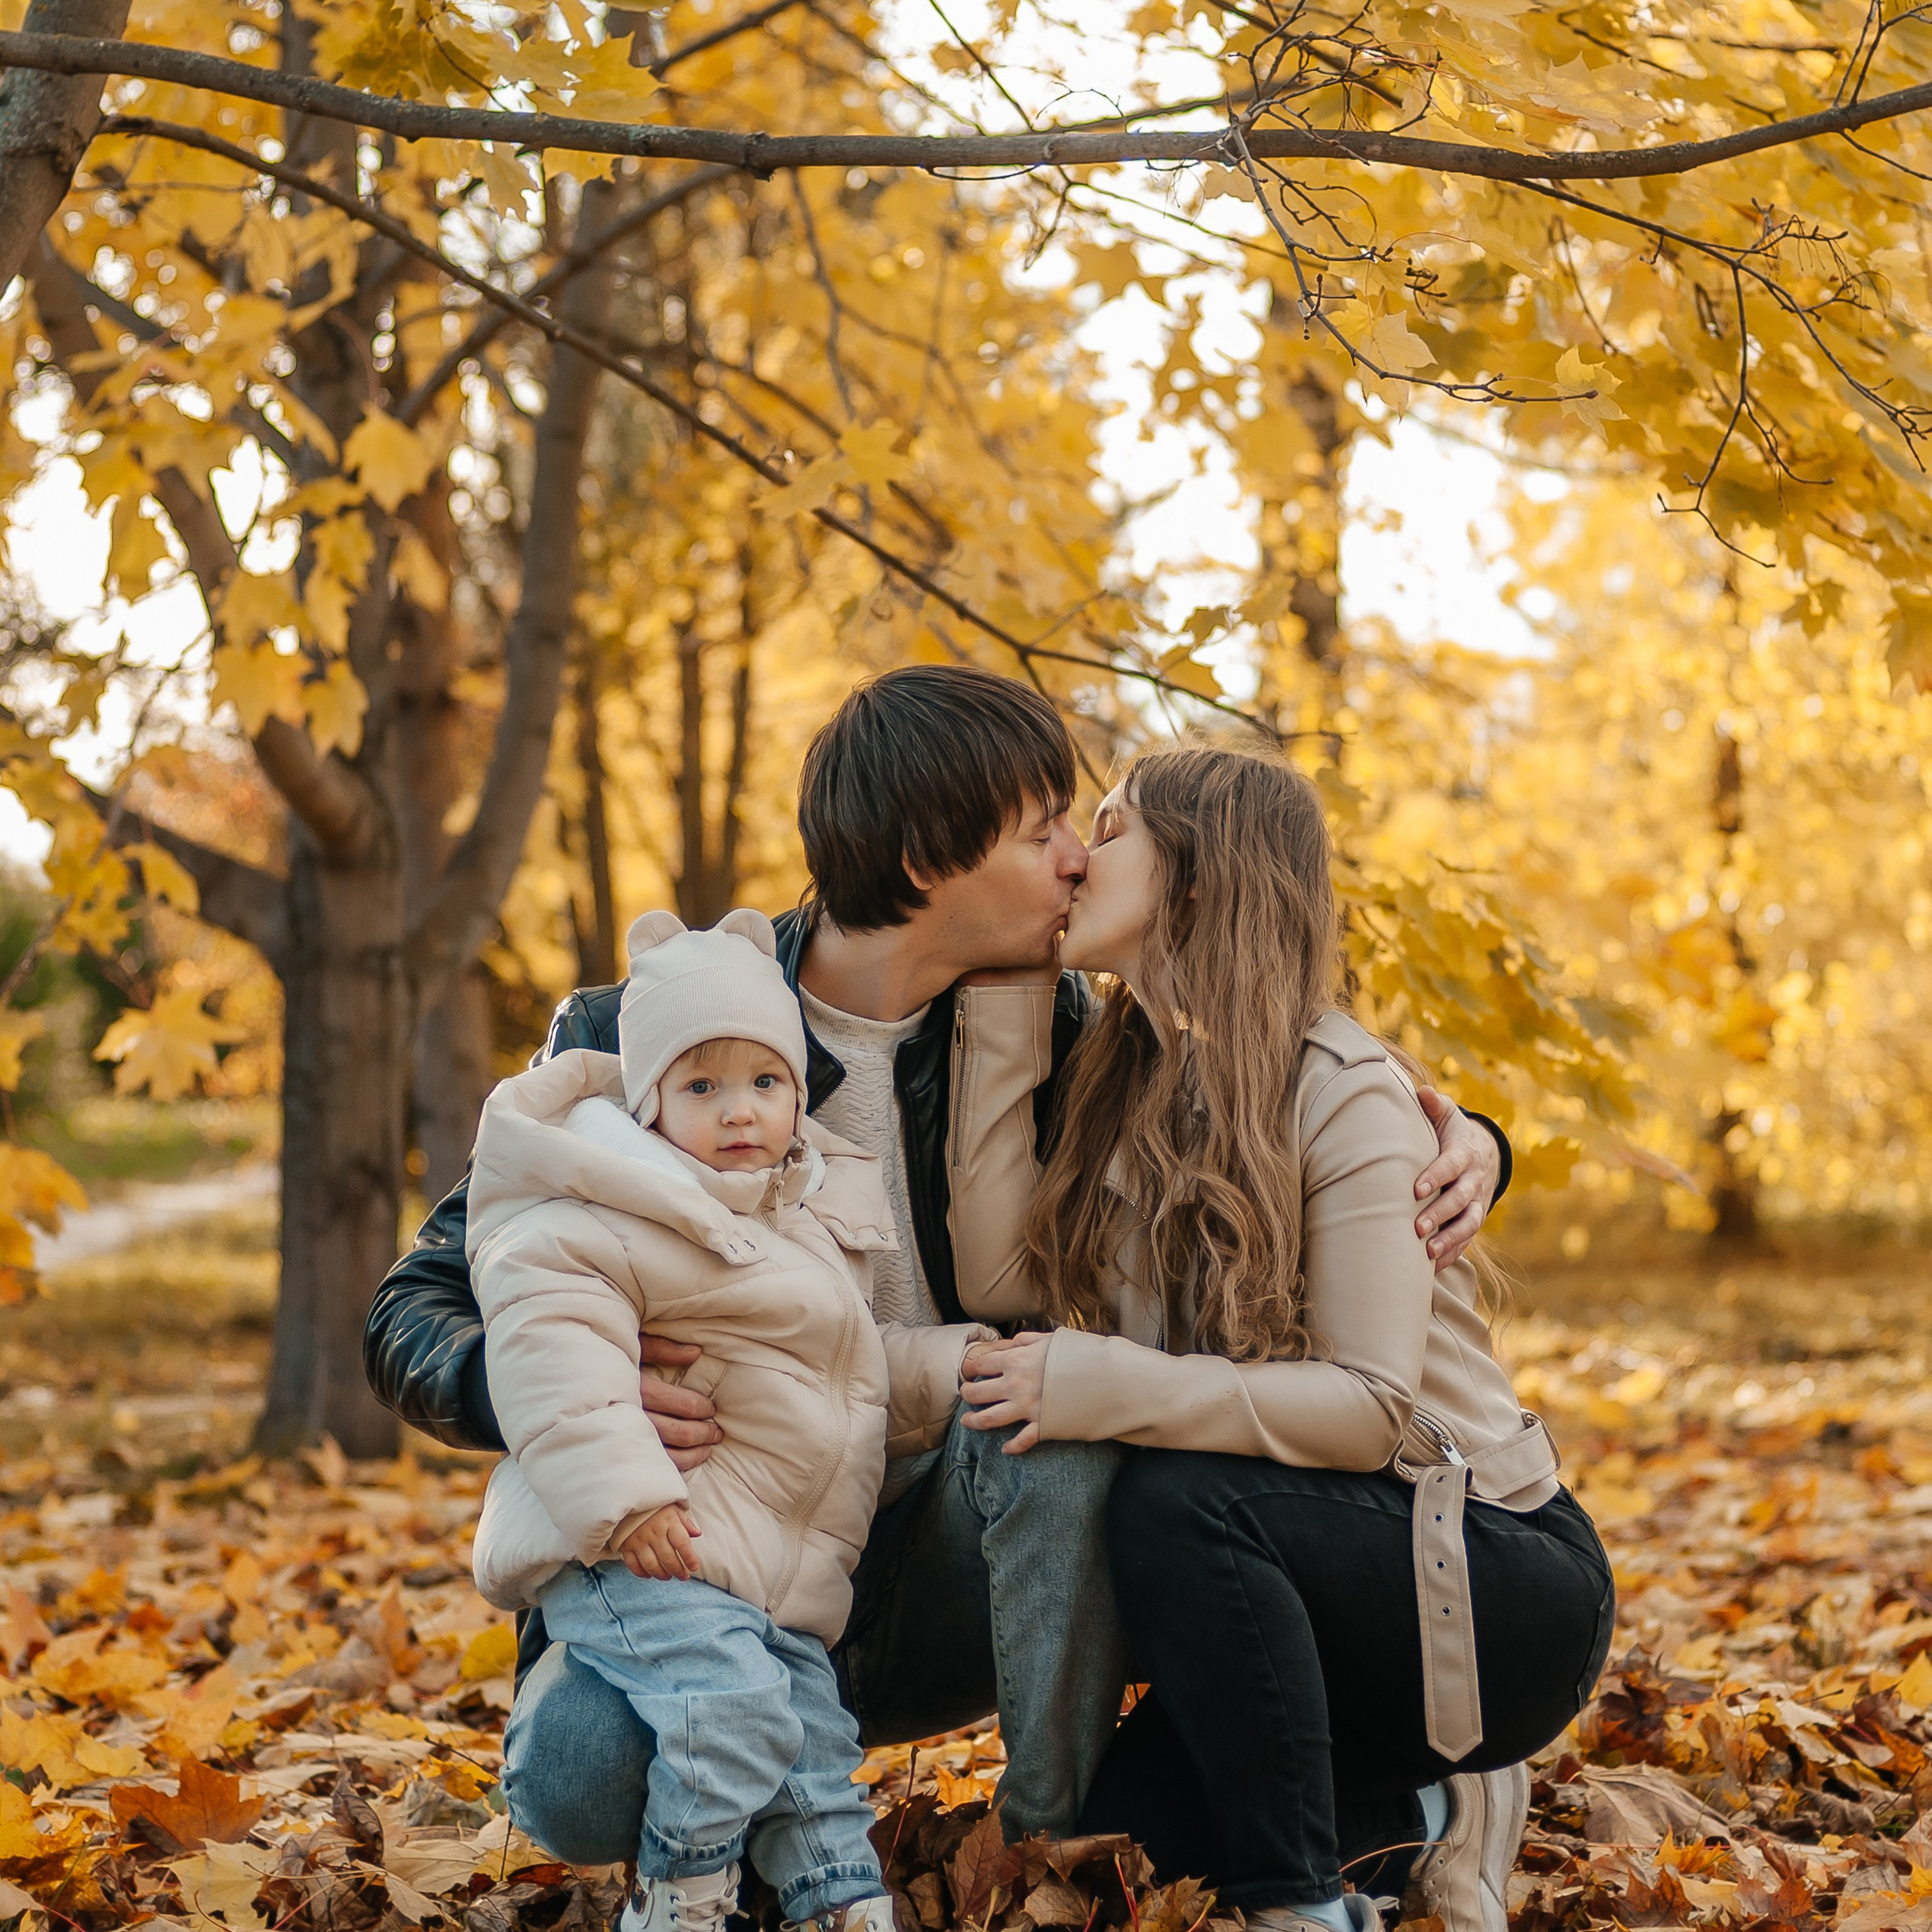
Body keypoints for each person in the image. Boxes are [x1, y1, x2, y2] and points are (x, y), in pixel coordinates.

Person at [363, 666, 1513, 1857]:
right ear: (925, 861)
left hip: (945, 1554)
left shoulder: (1062, 1027)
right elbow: (415, 1306)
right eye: (1044, 831)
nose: (1078, 858)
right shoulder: (657, 1029)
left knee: (1058, 1425)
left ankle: (1047, 1844)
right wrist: (545, 1383)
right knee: (577, 1793)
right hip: (703, 1554)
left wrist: (1474, 1141)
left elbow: (1263, 1085)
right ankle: (757, 1811)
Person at [946, 743, 1614, 1932]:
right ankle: (1420, 1800)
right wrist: (1003, 993)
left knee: (1173, 1493)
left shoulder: (1345, 1089)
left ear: (1198, 877)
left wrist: (1104, 1381)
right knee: (1126, 1866)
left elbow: (1366, 1407)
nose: (1075, 858)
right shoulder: (1127, 1081)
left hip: (1491, 1573)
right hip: (1294, 1559)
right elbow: (1000, 1272)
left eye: (1111, 830)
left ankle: (1298, 1906)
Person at [466, 909, 986, 1932]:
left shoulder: (800, 1211)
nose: (739, 1111)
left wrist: (964, 1366)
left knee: (811, 1741)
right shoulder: (601, 1206)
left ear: (800, 1092)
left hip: (762, 1570)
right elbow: (553, 1353)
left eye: (765, 1083)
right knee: (731, 1711)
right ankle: (682, 1895)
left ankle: (840, 1903)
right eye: (701, 1086)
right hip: (644, 1550)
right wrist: (626, 1499)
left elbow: (852, 1371)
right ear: (650, 1101)